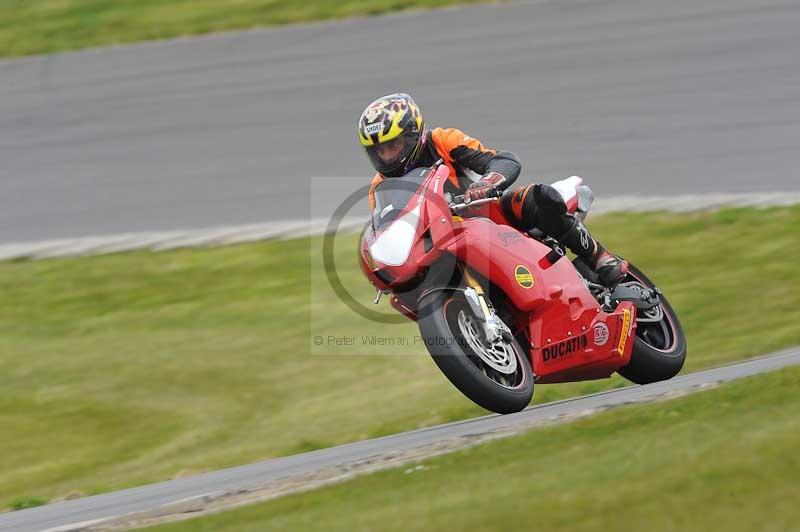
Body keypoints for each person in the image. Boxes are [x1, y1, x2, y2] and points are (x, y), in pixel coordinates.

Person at [358, 93, 627, 287]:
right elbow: (391, 231)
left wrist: (485, 184)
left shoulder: (443, 140)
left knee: (536, 197)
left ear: (413, 134)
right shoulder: (379, 189)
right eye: (379, 151)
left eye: (392, 146)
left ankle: (599, 256)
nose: (387, 156)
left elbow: (502, 160)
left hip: (488, 215)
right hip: (441, 246)